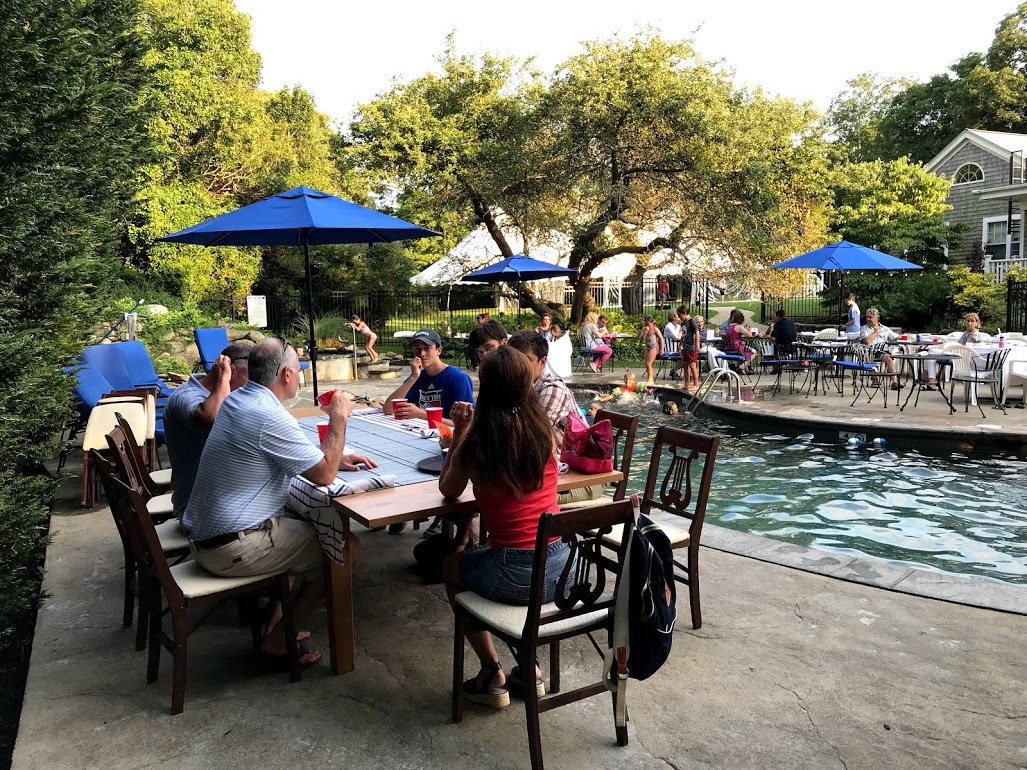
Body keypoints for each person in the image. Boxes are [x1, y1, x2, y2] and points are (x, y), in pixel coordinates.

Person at [183, 337, 376, 670]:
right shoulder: (267, 415)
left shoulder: (239, 399)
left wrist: (332, 457)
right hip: (229, 548)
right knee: (344, 547)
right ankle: (276, 641)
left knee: (308, 527)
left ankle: (278, 623)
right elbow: (324, 475)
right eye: (299, 368)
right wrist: (339, 417)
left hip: (206, 537)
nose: (301, 375)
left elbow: (304, 458)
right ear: (286, 374)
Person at [439, 346, 574, 707]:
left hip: (514, 573)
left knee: (452, 567)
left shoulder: (479, 444)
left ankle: (491, 672)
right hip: (562, 570)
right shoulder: (544, 433)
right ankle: (528, 669)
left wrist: (461, 432)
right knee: (493, 560)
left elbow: (448, 491)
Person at [507, 331, 606, 506]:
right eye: (514, 359)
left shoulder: (552, 389)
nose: (518, 366)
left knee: (516, 500)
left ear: (542, 362)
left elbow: (533, 436)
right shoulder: (514, 387)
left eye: (526, 360)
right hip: (552, 472)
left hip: (583, 477)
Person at [163, 341, 253, 517]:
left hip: (224, 499)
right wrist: (224, 380)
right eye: (250, 380)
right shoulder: (185, 395)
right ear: (231, 371)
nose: (252, 387)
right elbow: (210, 420)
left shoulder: (229, 398)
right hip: (198, 510)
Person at [384, 328, 474, 425]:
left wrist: (422, 414)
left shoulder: (458, 379)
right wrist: (413, 378)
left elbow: (466, 423)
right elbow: (388, 409)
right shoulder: (417, 377)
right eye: (417, 349)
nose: (422, 354)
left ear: (438, 350)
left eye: (427, 348)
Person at [859, 307, 900, 390]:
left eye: (870, 317)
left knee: (888, 358)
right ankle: (874, 380)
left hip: (882, 351)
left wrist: (908, 337)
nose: (867, 319)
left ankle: (895, 383)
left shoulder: (885, 329)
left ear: (876, 318)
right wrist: (876, 332)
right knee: (868, 355)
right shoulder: (864, 329)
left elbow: (895, 337)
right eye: (866, 317)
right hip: (869, 350)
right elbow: (867, 341)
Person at [723, 309, 756, 373]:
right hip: (737, 347)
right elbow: (750, 336)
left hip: (728, 347)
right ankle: (742, 366)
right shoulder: (739, 327)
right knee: (754, 352)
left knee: (748, 352)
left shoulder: (730, 326)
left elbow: (735, 335)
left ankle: (745, 369)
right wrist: (749, 329)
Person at [677, 305, 700, 391]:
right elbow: (683, 335)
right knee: (685, 365)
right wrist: (680, 344)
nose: (679, 317)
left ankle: (696, 384)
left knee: (692, 365)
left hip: (692, 347)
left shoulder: (691, 321)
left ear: (685, 313)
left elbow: (697, 332)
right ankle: (686, 384)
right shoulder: (683, 323)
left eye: (680, 315)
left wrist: (697, 345)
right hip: (685, 346)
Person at [639, 315, 663, 385]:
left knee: (648, 363)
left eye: (648, 324)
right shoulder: (644, 329)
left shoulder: (655, 329)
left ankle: (650, 380)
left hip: (654, 347)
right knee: (646, 363)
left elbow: (661, 338)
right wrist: (645, 332)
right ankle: (649, 378)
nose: (647, 326)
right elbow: (641, 339)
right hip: (647, 347)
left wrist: (661, 349)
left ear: (652, 323)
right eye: (646, 324)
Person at [663, 310, 682, 380]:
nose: (679, 317)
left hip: (678, 348)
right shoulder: (668, 326)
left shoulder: (678, 326)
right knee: (685, 357)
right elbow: (677, 337)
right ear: (673, 317)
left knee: (689, 356)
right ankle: (674, 371)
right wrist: (680, 332)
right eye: (678, 315)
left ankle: (674, 370)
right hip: (670, 349)